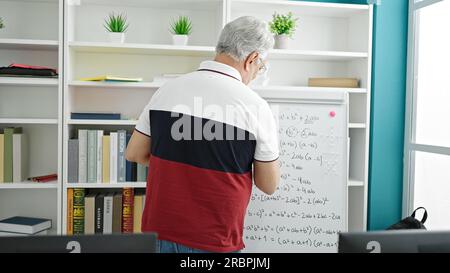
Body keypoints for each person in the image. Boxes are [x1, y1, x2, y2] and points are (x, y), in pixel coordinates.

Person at [126, 16, 280, 253]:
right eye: (260, 67)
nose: (257, 72)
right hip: (215, 240)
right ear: (253, 59)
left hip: (159, 233)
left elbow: (134, 153)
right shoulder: (255, 106)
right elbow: (268, 184)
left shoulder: (168, 90)